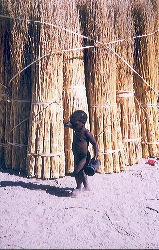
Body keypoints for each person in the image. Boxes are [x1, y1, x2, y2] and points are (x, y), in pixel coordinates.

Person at [64, 110, 98, 197]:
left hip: (84, 157)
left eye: (75, 123)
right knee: (82, 172)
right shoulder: (76, 128)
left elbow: (94, 143)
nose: (73, 124)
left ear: (82, 123)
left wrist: (96, 155)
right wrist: (68, 125)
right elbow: (71, 126)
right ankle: (86, 187)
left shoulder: (86, 133)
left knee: (77, 171)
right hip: (77, 155)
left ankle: (79, 188)